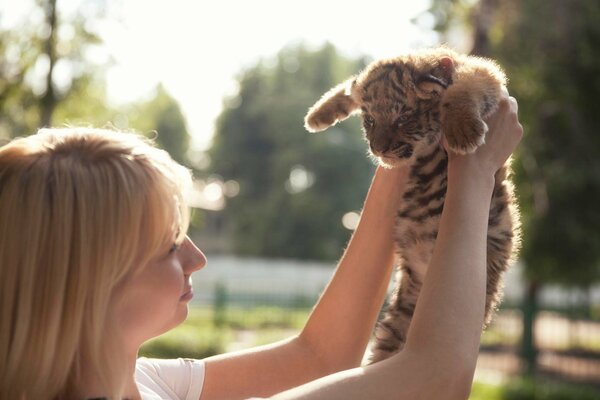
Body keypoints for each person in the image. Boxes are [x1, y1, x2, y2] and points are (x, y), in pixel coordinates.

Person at [0, 90, 522, 400]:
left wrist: (401, 152)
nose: (196, 259)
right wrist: (473, 169)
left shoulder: (131, 379)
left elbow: (318, 358)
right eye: (167, 247)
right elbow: (434, 378)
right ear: (88, 279)